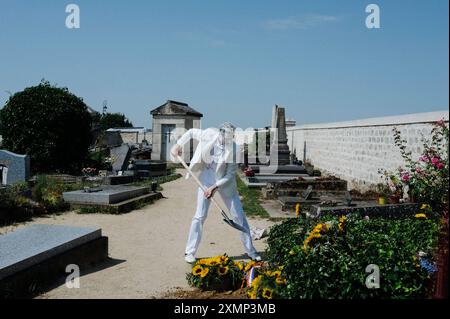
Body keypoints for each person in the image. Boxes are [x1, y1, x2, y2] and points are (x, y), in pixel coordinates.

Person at [171, 122, 262, 263]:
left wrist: (214, 187)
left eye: (230, 139)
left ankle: (251, 251)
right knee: (200, 216)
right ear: (219, 134)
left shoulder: (234, 149)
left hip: (224, 184)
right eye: (225, 138)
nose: (226, 142)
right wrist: (178, 145)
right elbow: (190, 133)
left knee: (239, 216)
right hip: (205, 179)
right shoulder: (209, 134)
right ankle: (189, 252)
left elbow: (230, 175)